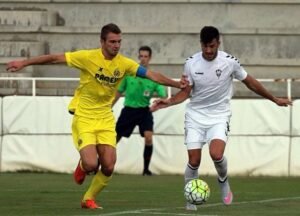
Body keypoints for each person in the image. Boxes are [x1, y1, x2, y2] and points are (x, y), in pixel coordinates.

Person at [6, 23, 187, 210]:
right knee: (92, 164)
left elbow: (152, 75)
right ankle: (83, 166)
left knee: (108, 166)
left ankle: (88, 198)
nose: (116, 46)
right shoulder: (87, 57)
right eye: (112, 42)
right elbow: (54, 58)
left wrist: (176, 84)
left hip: (105, 118)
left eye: (119, 42)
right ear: (102, 42)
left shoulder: (124, 63)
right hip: (84, 116)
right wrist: (24, 63)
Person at [150, 26, 292, 211]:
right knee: (194, 161)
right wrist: (168, 102)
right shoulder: (191, 63)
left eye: (212, 46)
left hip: (219, 115)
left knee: (216, 154)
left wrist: (274, 99)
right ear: (200, 44)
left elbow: (250, 82)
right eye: (205, 46)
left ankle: (223, 181)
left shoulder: (229, 62)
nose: (208, 51)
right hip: (195, 116)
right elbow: (186, 92)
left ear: (218, 43)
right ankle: (190, 198)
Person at [113, 46, 167, 176]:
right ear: (138, 57)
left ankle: (146, 170)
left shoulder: (152, 77)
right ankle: (99, 163)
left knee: (149, 137)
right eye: (141, 56)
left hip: (144, 111)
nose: (143, 59)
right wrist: (108, 106)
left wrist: (158, 103)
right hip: (129, 110)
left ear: (150, 58)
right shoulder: (130, 74)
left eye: (145, 56)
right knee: (115, 138)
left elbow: (163, 94)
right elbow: (119, 92)